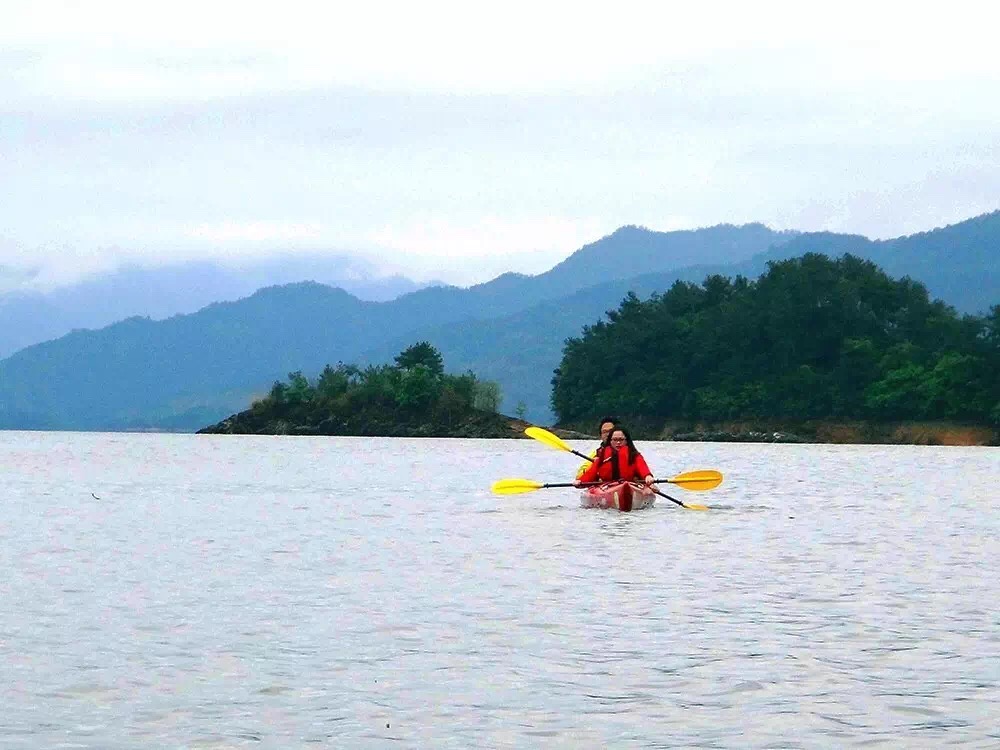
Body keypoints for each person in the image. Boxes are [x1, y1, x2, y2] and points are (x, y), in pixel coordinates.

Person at [575, 427, 655, 487]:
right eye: (615, 440)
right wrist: (580, 481)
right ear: (610, 441)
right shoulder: (602, 456)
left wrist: (648, 476)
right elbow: (591, 473)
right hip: (606, 486)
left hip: (630, 485)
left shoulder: (634, 455)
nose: (618, 442)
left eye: (621, 439)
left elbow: (643, 468)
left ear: (626, 441)